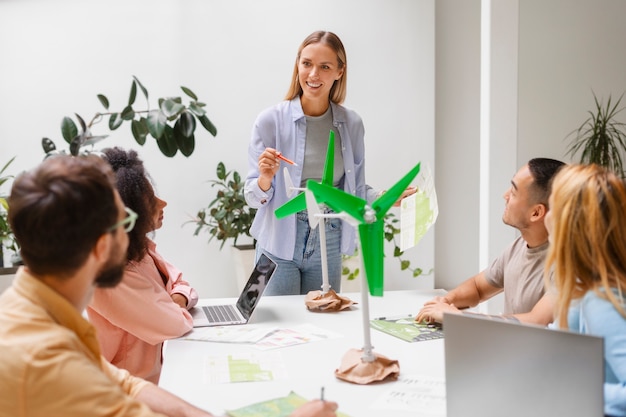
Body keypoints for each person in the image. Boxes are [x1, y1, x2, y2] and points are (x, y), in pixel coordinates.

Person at [0, 155, 338, 417]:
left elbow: (124, 383)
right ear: (102, 246)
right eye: (126, 221)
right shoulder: (45, 360)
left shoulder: (33, 311)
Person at [244, 30, 414, 296]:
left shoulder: (352, 124)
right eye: (307, 64)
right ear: (298, 64)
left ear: (339, 72)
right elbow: (253, 197)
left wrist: (386, 197)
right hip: (277, 239)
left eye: (325, 67)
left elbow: (351, 189)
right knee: (277, 328)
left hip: (329, 236)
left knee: (323, 325)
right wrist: (265, 178)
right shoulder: (269, 121)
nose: (313, 75)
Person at [87, 147, 197, 384]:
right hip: (126, 393)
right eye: (149, 200)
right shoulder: (109, 276)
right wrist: (173, 305)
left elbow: (182, 284)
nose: (163, 202)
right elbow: (175, 324)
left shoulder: (140, 250)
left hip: (154, 379)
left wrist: (174, 300)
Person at [416, 158, 565, 325]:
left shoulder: (569, 265)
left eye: (514, 193)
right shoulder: (518, 247)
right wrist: (444, 302)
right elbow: (477, 288)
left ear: (536, 213)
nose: (505, 195)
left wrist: (456, 317)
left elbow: (536, 321)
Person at [545, 164, 626, 417]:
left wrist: (576, 390)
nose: (547, 215)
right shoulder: (581, 290)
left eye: (552, 205)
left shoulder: (602, 301)